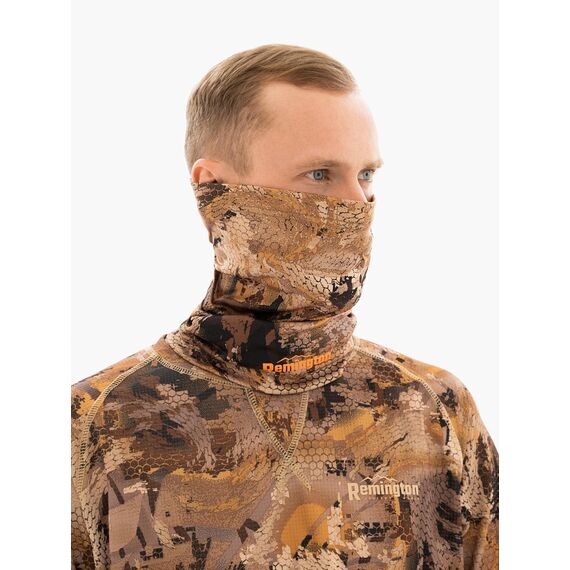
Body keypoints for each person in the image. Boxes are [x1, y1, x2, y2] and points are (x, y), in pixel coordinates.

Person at [71, 44, 498, 569]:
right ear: (216, 192)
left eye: (366, 175)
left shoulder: (434, 412)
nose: (357, 205)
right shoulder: (95, 425)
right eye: (319, 175)